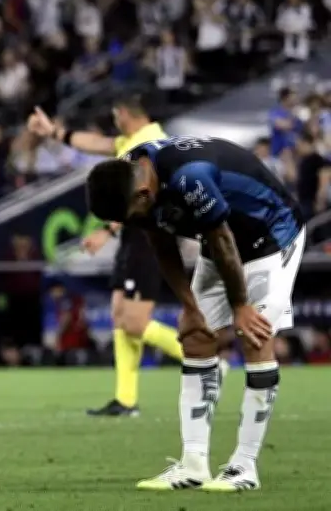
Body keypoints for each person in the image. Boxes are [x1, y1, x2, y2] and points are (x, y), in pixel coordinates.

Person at [86, 135, 305, 491]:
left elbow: (222, 240)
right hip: (220, 239)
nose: (135, 221)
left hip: (271, 235)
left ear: (143, 194)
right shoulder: (133, 178)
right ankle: (193, 465)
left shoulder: (191, 177)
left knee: (254, 336)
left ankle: (244, 466)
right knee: (195, 337)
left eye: (133, 215)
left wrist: (240, 307)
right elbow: (161, 244)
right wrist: (189, 307)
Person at [27, 96, 187, 417]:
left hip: (149, 237)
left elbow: (142, 198)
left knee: (134, 322)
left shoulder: (151, 145)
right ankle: (125, 399)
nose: (114, 120)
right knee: (119, 314)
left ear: (124, 112)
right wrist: (54, 132)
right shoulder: (132, 141)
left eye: (115, 114)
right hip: (134, 236)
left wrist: (106, 231)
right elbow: (99, 143)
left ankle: (204, 359)